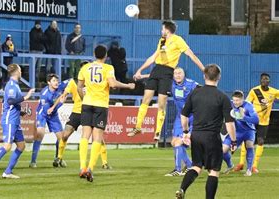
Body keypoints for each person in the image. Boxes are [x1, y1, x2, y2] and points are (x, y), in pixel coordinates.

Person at [128, 20, 204, 139]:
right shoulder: (162, 40)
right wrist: (140, 70)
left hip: (168, 71)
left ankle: (157, 132)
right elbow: (153, 57)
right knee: (145, 99)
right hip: (156, 69)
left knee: (161, 102)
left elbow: (192, 55)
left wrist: (203, 69)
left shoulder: (178, 40)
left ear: (167, 30)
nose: (161, 31)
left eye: (162, 29)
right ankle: (137, 127)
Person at [175, 64, 237, 199]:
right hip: (212, 138)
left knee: (196, 166)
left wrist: (186, 132)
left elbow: (183, 115)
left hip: (196, 136)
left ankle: (182, 188)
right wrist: (233, 140)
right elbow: (230, 123)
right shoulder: (223, 97)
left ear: (204, 76)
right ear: (219, 77)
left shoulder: (195, 93)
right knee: (213, 171)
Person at [77, 45, 135, 182]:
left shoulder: (85, 68)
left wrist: (83, 99)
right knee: (97, 137)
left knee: (85, 135)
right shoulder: (108, 68)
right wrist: (128, 85)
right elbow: (113, 84)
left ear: (94, 54)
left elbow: (79, 86)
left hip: (87, 103)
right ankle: (90, 168)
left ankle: (82, 168)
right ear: (106, 56)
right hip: (100, 105)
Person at [0, 64, 35, 180]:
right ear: (16, 72)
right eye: (20, 70)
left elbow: (6, 102)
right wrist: (26, 97)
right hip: (10, 120)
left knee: (21, 146)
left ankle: (7, 171)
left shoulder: (14, 85)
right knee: (7, 146)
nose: (21, 72)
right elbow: (10, 101)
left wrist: (19, 112)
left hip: (15, 120)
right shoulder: (11, 85)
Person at [234, 73, 279, 173]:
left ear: (269, 81)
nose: (264, 81)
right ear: (260, 81)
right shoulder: (254, 91)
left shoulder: (274, 92)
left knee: (261, 141)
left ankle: (254, 165)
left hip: (264, 122)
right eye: (262, 79)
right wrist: (241, 116)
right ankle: (241, 163)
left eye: (266, 79)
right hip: (252, 120)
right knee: (246, 141)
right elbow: (246, 104)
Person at [165, 67, 198, 177]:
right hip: (180, 117)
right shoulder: (171, 84)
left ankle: (178, 169)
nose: (178, 75)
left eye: (180, 73)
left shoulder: (191, 84)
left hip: (192, 117)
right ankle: (189, 166)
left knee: (180, 142)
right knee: (174, 142)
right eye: (175, 73)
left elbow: (203, 90)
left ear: (184, 74)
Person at [30, 73, 66, 168]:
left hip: (53, 115)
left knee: (61, 138)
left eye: (57, 80)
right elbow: (48, 110)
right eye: (54, 81)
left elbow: (70, 81)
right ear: (48, 82)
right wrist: (61, 103)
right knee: (40, 134)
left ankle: (58, 158)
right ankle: (33, 161)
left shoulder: (60, 86)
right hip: (43, 114)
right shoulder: (45, 94)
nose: (56, 82)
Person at [222, 90, 258, 177]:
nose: (235, 102)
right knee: (223, 150)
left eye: (237, 100)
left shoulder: (249, 106)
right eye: (234, 100)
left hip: (248, 131)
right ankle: (230, 165)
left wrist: (244, 117)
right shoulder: (230, 104)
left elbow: (256, 120)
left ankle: (249, 169)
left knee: (249, 145)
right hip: (236, 132)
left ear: (243, 99)